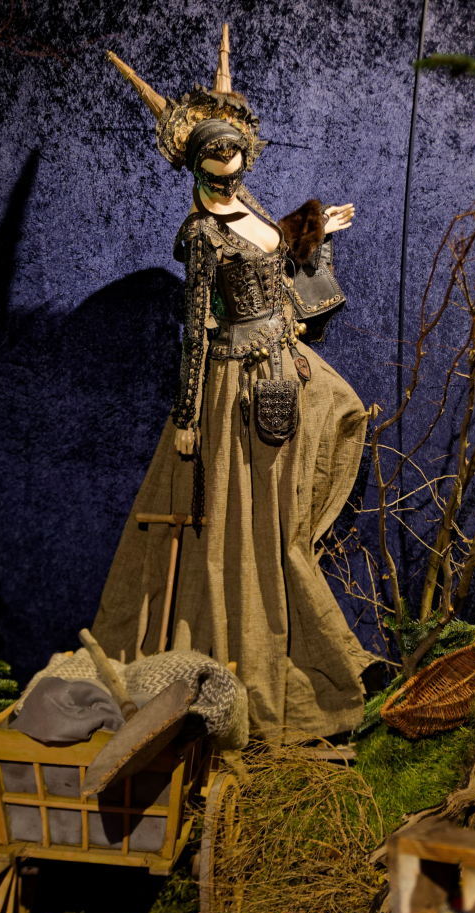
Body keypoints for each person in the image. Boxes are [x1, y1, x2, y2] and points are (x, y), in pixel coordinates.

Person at [92, 27, 379, 742]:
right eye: (216, 155)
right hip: (235, 384)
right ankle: (246, 644)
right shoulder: (199, 234)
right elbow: (196, 328)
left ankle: (286, 593)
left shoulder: (247, 201)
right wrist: (189, 417)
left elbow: (270, 257)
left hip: (282, 362)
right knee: (240, 517)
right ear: (196, 160)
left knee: (330, 432)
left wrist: (315, 229)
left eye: (235, 151)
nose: (228, 162)